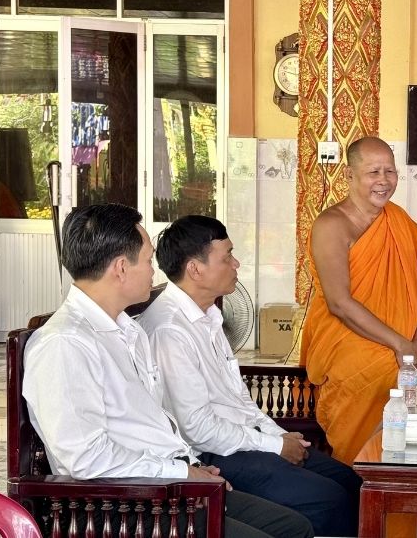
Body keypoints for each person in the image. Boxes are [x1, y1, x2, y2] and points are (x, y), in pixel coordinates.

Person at [22, 204, 313, 538]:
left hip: (164, 486)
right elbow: (86, 459)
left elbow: (153, 426)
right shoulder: (65, 343)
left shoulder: (127, 330)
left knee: (292, 527)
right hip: (120, 504)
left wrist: (193, 469)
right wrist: (180, 473)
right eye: (147, 261)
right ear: (120, 268)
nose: (153, 272)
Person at [139, 215, 362, 537]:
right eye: (226, 256)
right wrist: (272, 445)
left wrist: (280, 436)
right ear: (195, 269)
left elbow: (239, 400)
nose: (236, 263)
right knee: (328, 499)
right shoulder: (169, 331)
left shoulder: (208, 315)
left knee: (352, 482)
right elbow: (198, 429)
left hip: (243, 439)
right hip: (211, 453)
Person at [300, 136, 417, 466]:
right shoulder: (331, 225)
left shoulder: (397, 221)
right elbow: (339, 303)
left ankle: (407, 501)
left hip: (404, 341)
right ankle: (365, 498)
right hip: (351, 341)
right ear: (349, 175)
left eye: (389, 171)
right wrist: (400, 345)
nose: (383, 181)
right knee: (385, 372)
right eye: (373, 171)